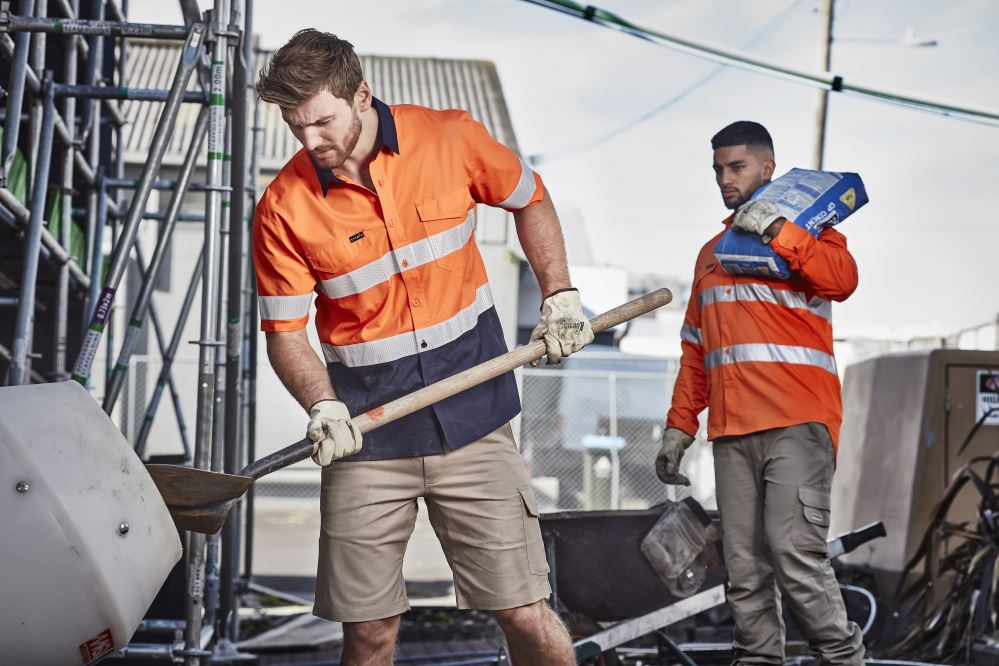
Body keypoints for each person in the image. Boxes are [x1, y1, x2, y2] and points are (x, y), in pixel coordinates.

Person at [252, 29, 588, 665]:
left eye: (322, 121)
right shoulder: (281, 209)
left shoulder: (450, 138)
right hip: (369, 439)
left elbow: (532, 199)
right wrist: (322, 406)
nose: (310, 141)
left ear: (361, 96)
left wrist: (560, 295)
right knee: (369, 631)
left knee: (522, 612)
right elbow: (286, 335)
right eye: (297, 127)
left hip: (476, 421)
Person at [656, 121, 864, 664]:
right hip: (732, 433)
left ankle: (845, 659)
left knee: (796, 555)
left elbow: (842, 279)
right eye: (719, 170)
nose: (725, 179)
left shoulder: (809, 232)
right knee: (745, 570)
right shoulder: (711, 256)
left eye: (737, 167)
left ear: (768, 168)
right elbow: (696, 352)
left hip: (798, 423)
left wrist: (777, 230)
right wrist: (679, 428)